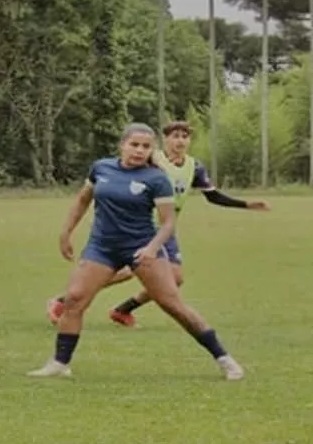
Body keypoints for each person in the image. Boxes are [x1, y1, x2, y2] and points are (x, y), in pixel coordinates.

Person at [28, 123, 246, 381]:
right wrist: (66, 232)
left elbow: (167, 223)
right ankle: (59, 363)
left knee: (172, 305)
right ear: (122, 145)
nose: (139, 150)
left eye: (146, 147)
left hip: (141, 246)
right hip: (102, 247)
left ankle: (225, 359)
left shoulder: (156, 179)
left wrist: (152, 248)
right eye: (134, 144)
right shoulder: (101, 168)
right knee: (74, 299)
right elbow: (83, 200)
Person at [45, 120, 269, 327]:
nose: (180, 140)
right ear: (165, 141)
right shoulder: (151, 161)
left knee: (175, 279)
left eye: (185, 136)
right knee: (124, 272)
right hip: (137, 228)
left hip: (164, 229)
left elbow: (213, 196)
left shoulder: (194, 167)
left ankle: (122, 310)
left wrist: (246, 205)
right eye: (175, 136)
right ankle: (66, 301)